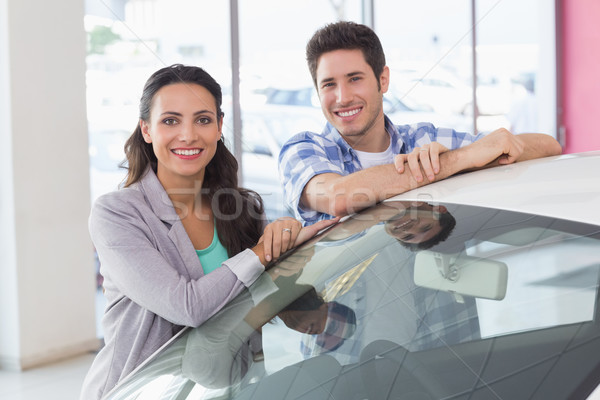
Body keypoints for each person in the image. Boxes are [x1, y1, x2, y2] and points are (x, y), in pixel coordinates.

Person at [80, 64, 334, 400]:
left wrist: (291, 252)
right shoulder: (117, 213)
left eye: (202, 119)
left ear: (219, 127)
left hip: (231, 388)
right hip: (142, 392)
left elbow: (302, 320)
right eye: (170, 120)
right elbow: (187, 306)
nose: (188, 135)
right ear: (146, 130)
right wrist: (261, 254)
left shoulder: (241, 209)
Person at [279, 21, 563, 226]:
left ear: (383, 79)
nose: (342, 97)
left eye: (355, 78)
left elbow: (548, 145)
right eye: (329, 84)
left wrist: (488, 147)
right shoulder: (303, 149)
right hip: (346, 310)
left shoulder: (422, 138)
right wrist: (454, 162)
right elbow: (338, 198)